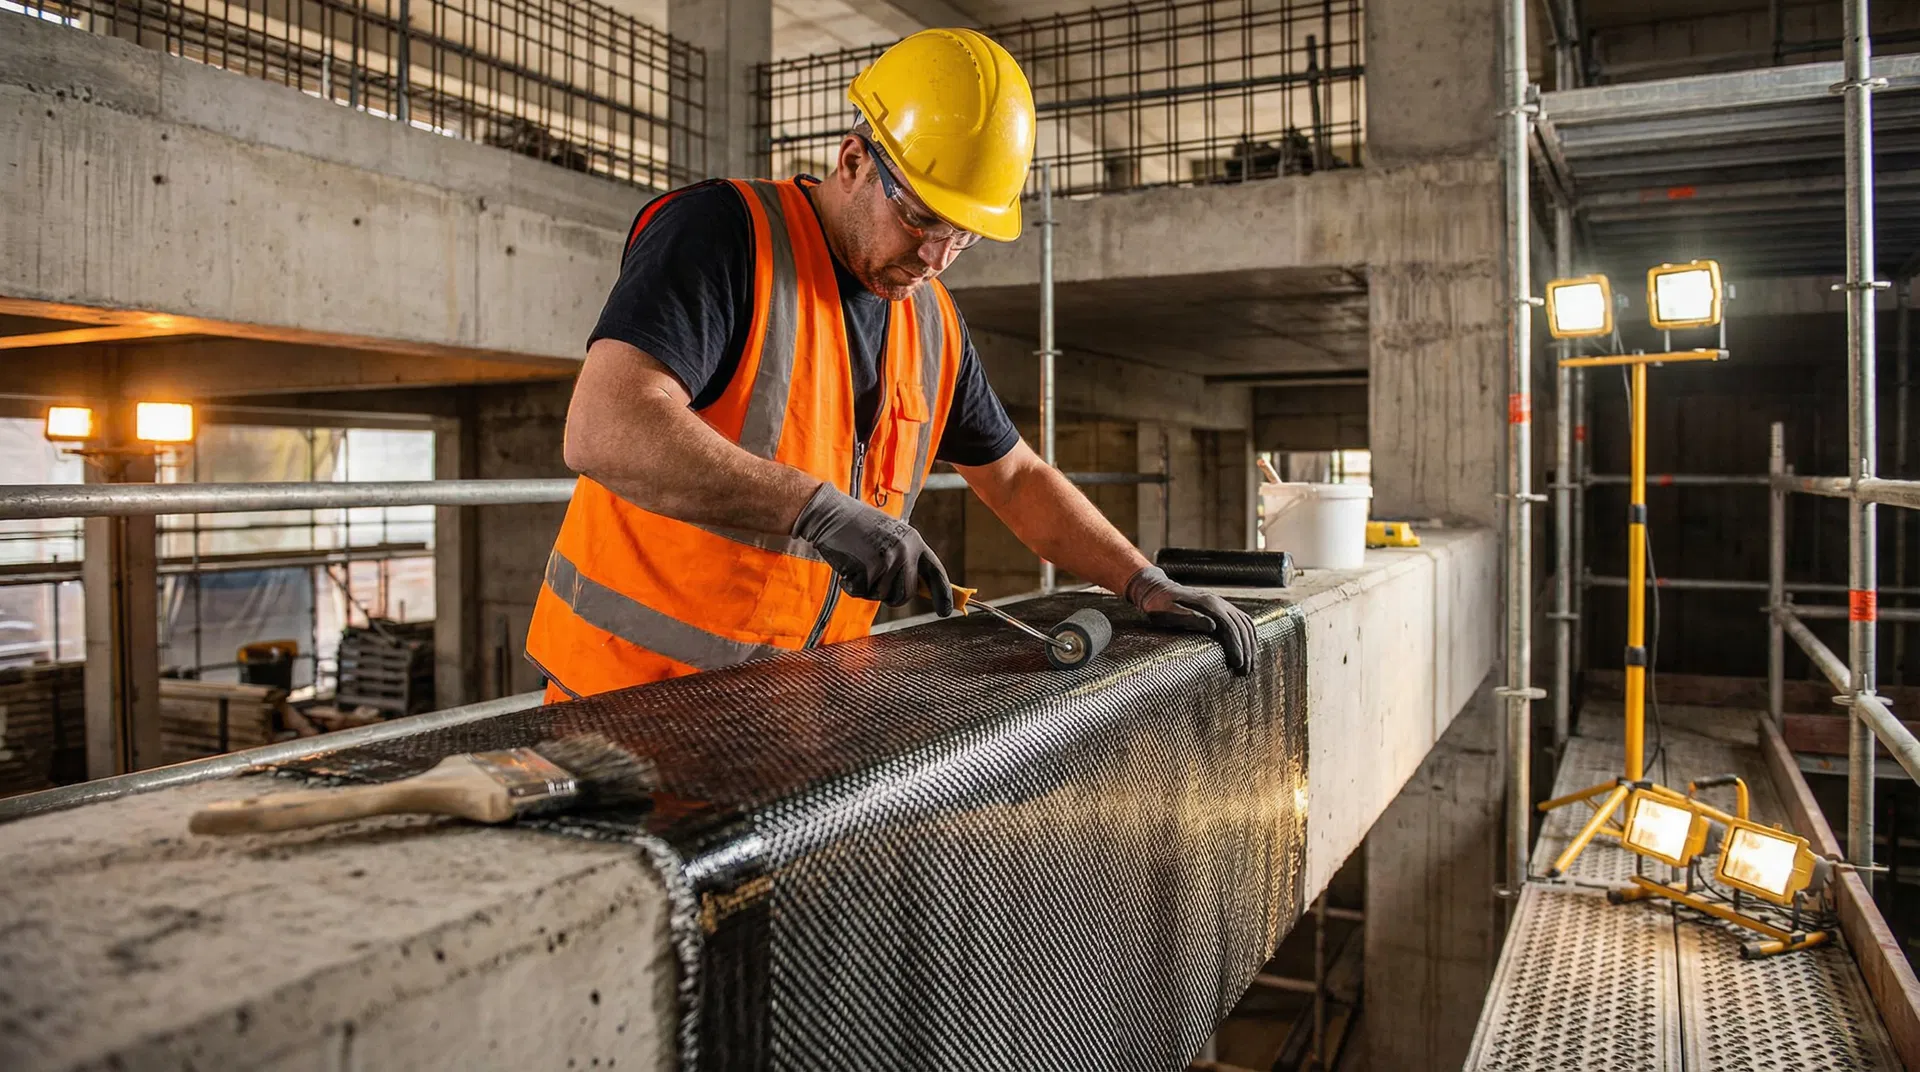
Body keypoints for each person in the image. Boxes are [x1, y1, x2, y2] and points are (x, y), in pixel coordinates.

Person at [525, 28, 1255, 702]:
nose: (935, 258)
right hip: (624, 698)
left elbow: (1017, 477)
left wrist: (1140, 581)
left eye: (962, 236)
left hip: (794, 708)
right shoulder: (724, 235)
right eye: (921, 218)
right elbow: (604, 427)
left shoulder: (932, 322)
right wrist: (815, 510)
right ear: (853, 162)